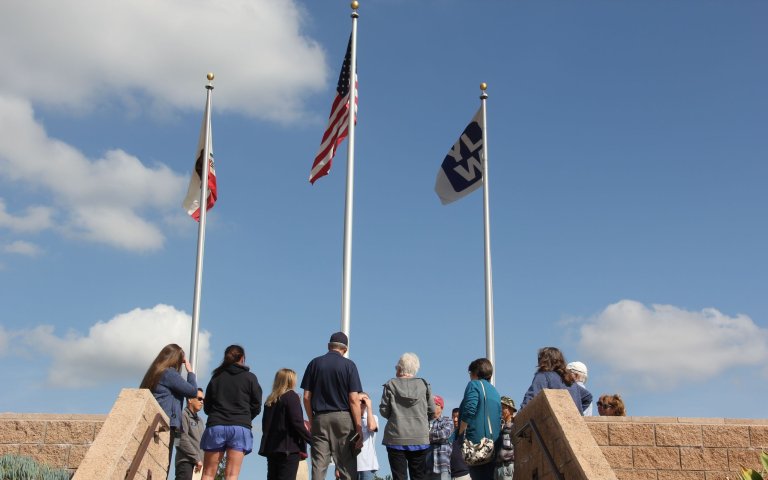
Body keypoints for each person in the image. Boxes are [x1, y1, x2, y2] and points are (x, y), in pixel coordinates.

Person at [300, 332, 364, 480]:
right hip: (343, 419)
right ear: (345, 349)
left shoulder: (314, 363)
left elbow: (306, 397)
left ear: (329, 346)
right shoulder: (349, 365)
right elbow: (354, 399)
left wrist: (312, 419)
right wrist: (359, 427)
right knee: (346, 466)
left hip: (320, 418)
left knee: (319, 465)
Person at [200, 345, 263, 480]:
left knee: (208, 473)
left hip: (216, 426)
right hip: (239, 427)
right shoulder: (250, 378)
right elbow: (257, 405)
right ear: (242, 358)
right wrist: (246, 417)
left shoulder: (216, 377)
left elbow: (207, 406)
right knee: (232, 475)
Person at [140, 343, 198, 477]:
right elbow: (192, 391)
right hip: (170, 425)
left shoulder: (156, 371)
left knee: (174, 453)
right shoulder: (169, 373)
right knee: (168, 459)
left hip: (173, 426)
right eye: (181, 361)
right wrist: (190, 372)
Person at [380, 352, 435, 480]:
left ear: (400, 368)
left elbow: (384, 411)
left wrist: (394, 417)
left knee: (399, 477)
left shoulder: (390, 385)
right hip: (420, 438)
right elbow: (432, 410)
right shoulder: (424, 385)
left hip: (396, 437)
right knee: (419, 476)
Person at [259, 368, 312, 480]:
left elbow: (265, 425)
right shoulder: (291, 396)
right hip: (288, 449)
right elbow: (297, 422)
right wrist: (312, 440)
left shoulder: (270, 400)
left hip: (272, 448)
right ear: (290, 380)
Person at [458, 358, 501, 480]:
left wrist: (461, 433)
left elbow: (470, 409)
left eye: (470, 373)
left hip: (477, 444)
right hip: (494, 444)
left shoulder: (474, 384)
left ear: (475, 373)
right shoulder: (495, 391)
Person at [519, 347, 592, 415]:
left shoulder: (543, 376)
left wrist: (518, 416)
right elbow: (588, 397)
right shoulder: (570, 381)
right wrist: (577, 413)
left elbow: (531, 398)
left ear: (544, 361)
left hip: (553, 425)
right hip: (575, 424)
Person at [175, 388, 205, 480]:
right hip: (186, 464)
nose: (202, 402)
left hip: (198, 466)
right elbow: (178, 440)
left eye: (203, 400)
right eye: (199, 399)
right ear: (190, 400)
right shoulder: (181, 415)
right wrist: (196, 458)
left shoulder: (200, 421)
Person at [427, 394, 453, 480]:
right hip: (425, 465)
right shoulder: (423, 422)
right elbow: (417, 435)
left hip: (442, 465)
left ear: (441, 407)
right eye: (431, 404)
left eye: (436, 404)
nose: (432, 406)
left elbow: (444, 434)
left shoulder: (447, 420)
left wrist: (427, 435)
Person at [357, 392, 380, 480]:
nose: (362, 403)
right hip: (350, 464)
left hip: (367, 465)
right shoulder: (349, 419)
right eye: (359, 400)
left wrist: (369, 407)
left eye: (364, 400)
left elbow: (371, 427)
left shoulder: (373, 418)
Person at [494, 396, 516, 480]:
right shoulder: (501, 426)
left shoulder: (514, 425)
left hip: (507, 467)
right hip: (498, 467)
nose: (501, 411)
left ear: (510, 410)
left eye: (503, 408)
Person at [449, 409, 470, 480]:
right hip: (451, 475)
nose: (455, 419)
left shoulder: (465, 433)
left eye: (457, 417)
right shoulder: (449, 435)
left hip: (464, 474)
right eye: (453, 417)